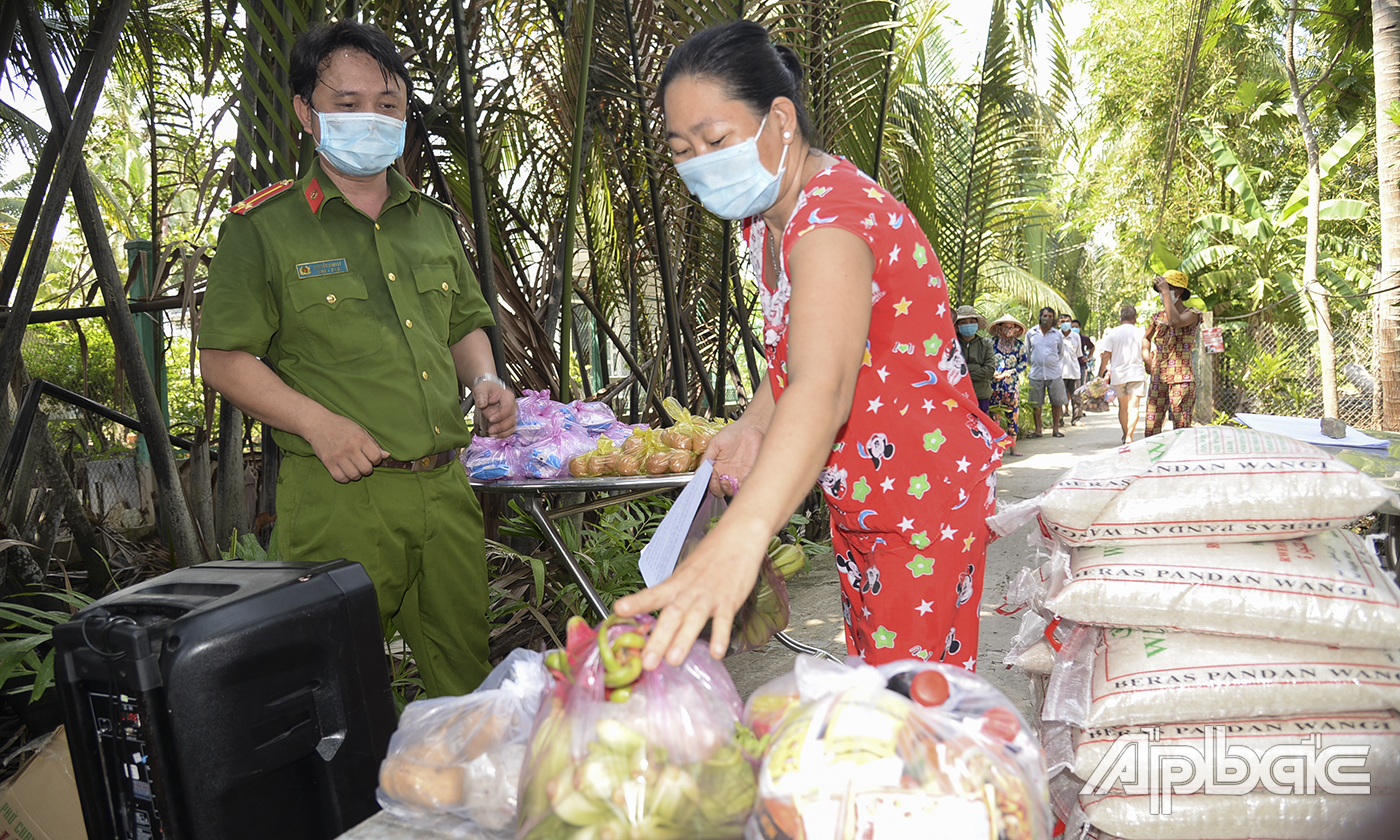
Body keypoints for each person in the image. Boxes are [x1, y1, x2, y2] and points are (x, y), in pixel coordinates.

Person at [614, 20, 1005, 671]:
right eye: (681, 148)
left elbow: (822, 387)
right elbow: (800, 357)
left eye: (715, 139)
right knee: (882, 689)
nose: (699, 164)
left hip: (916, 501)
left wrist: (743, 535)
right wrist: (753, 424)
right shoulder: (771, 222)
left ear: (781, 118)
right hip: (868, 494)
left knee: (907, 706)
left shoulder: (829, 224)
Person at [197, 21, 517, 697]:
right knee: (336, 693)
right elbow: (224, 361)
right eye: (347, 103)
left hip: (445, 490)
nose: (370, 118)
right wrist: (319, 423)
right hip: (340, 497)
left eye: (388, 104)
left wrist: (484, 378)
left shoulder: (430, 221)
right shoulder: (263, 228)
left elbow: (463, 323)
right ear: (305, 112)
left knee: (467, 681)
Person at [1144, 269, 1201, 436]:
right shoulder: (1157, 317)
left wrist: (1166, 293)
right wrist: (1147, 360)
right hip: (1158, 377)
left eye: (1167, 289)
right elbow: (1146, 338)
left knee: (1181, 430)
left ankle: (1179, 461)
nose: (1162, 294)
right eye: (1162, 290)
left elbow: (1176, 322)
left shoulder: (1192, 314)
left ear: (1180, 291)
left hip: (1181, 379)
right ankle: (1154, 461)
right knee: (1151, 428)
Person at [1098, 304, 1147, 443]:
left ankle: (1126, 434)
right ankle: (1129, 437)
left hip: (1118, 375)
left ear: (1120, 318)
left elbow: (1106, 355)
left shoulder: (1112, 333)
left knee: (1123, 407)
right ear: (1135, 319)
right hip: (1136, 374)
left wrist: (1100, 374)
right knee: (1134, 407)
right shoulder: (1141, 333)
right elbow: (1149, 353)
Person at [988, 314, 1027, 457]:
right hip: (994, 387)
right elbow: (986, 362)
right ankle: (996, 448)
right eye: (1006, 327)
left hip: (1011, 388)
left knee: (1013, 417)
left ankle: (1013, 447)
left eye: (1012, 327)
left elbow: (1023, 363)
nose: (1009, 330)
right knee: (994, 418)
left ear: (1017, 330)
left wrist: (1012, 371)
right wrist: (992, 373)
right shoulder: (990, 344)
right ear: (998, 328)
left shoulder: (1019, 346)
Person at [1026, 307, 1066, 438]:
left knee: (1057, 401)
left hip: (1054, 373)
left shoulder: (1057, 334)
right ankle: (1038, 430)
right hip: (1036, 374)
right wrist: (1037, 362)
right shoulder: (1031, 333)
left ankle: (1055, 429)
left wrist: (1050, 362)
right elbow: (1027, 352)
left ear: (1053, 319)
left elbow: (1060, 353)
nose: (1047, 318)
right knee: (1036, 403)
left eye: (1050, 316)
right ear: (1040, 317)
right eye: (1045, 315)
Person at [955, 305, 995, 415]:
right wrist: (977, 368)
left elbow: (989, 371)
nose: (968, 324)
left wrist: (964, 372)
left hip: (981, 395)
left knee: (980, 428)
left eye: (972, 321)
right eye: (963, 322)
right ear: (957, 325)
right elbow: (950, 369)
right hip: (957, 396)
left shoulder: (986, 344)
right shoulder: (952, 344)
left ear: (977, 324)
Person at [1057, 313, 1083, 427]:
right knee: (1058, 398)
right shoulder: (1055, 336)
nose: (1065, 324)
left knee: (1076, 397)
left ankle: (1076, 419)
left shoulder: (1076, 337)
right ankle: (1058, 420)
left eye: (1067, 321)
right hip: (1059, 372)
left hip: (1074, 371)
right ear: (1059, 323)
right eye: (1062, 322)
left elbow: (1078, 354)